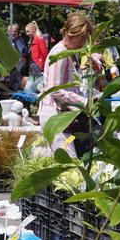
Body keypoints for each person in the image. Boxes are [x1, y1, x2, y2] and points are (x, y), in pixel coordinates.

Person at [39, 13, 94, 158]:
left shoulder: (70, 52)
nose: (83, 43)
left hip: (64, 116)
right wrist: (85, 101)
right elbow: (54, 89)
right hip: (55, 116)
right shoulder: (60, 53)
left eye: (85, 38)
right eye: (81, 38)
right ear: (69, 34)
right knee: (69, 164)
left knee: (71, 163)